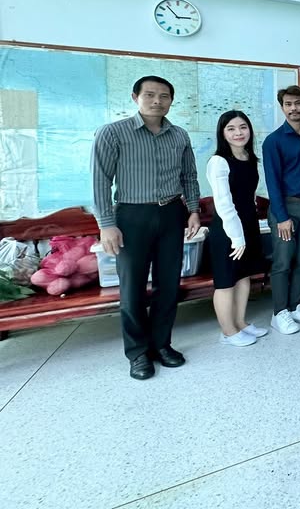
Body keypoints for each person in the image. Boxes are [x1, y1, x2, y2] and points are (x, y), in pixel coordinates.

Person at [91, 75, 201, 380]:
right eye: (150, 95)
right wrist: (107, 225)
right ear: (135, 97)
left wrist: (193, 210)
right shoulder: (113, 133)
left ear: (171, 101)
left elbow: (189, 177)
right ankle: (138, 353)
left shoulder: (179, 135)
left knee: (169, 285)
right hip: (131, 216)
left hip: (171, 214)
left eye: (164, 96)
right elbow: (100, 180)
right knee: (132, 288)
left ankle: (162, 345)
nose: (157, 101)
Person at [205, 110, 268, 347]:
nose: (238, 133)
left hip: (248, 225)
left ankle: (240, 323)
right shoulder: (218, 162)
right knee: (226, 282)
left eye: (243, 127)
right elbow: (224, 204)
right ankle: (228, 332)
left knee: (244, 276)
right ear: (222, 133)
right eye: (231, 128)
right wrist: (237, 237)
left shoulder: (249, 158)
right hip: (228, 230)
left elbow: (247, 195)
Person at [262, 85, 300, 336]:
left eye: (298, 103)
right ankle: (279, 312)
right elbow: (272, 182)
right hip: (285, 208)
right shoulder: (274, 141)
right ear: (282, 107)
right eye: (288, 104)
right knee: (283, 262)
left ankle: (296, 306)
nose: (293, 108)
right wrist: (282, 217)